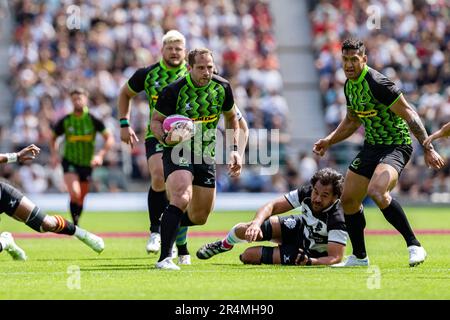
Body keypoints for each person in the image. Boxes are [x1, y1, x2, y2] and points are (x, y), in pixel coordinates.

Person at [313, 39, 445, 267]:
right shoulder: (349, 85)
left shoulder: (378, 83)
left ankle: (415, 245)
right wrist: (329, 140)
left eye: (354, 59)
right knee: (349, 200)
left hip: (396, 145)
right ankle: (360, 257)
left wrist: (428, 147)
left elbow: (410, 115)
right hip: (372, 147)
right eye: (345, 60)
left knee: (376, 190)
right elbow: (352, 121)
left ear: (364, 59)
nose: (349, 65)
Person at [151, 48, 243, 270]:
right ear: (189, 68)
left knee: (201, 216)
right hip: (177, 150)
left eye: (210, 67)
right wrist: (166, 137)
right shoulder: (174, 91)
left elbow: (232, 119)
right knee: (182, 196)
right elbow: (155, 121)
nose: (206, 72)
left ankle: (171, 225)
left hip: (205, 152)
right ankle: (164, 258)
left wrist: (234, 149)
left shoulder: (222, 87)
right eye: (201, 68)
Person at [118, 30, 191, 262]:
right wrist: (124, 123)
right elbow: (124, 93)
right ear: (162, 50)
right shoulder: (148, 74)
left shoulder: (194, 73)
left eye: (178, 48)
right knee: (159, 177)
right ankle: (155, 231)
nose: (174, 52)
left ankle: (182, 243)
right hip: (157, 135)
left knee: (183, 193)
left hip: (189, 139)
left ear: (185, 51)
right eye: (170, 48)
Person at [196, 168, 347, 266]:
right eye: (316, 192)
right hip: (300, 228)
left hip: (308, 253)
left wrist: (310, 262)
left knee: (248, 256)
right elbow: (272, 206)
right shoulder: (307, 192)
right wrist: (256, 223)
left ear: (335, 198)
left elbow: (335, 257)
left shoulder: (337, 218)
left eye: (324, 195)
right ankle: (224, 245)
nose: (317, 198)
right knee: (245, 229)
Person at [0, 144, 104, 261]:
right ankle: (5, 241)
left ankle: (82, 234)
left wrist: (17, 156)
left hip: (1, 194)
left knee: (46, 224)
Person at [50, 88, 114, 226]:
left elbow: (109, 138)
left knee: (81, 197)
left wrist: (100, 155)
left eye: (79, 98)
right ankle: (75, 225)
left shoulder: (93, 119)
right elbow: (53, 138)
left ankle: (76, 222)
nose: (77, 101)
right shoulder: (66, 121)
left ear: (86, 100)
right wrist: (54, 155)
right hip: (70, 161)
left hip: (87, 163)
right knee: (74, 192)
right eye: (74, 99)